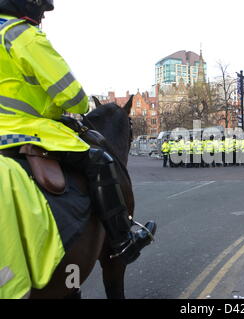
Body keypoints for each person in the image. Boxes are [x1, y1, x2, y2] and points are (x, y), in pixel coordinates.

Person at [0, 0, 155, 265]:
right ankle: (122, 242)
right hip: (22, 129)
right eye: (43, 10)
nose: (43, 18)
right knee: (101, 161)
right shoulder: (21, 34)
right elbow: (75, 100)